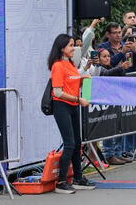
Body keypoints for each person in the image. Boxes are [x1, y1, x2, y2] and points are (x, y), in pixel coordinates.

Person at [47, 34, 96, 193]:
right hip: (62, 106)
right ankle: (61, 182)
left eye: (74, 45)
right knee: (69, 143)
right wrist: (78, 99)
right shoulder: (57, 66)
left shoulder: (70, 63)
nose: (73, 48)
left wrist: (83, 80)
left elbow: (73, 81)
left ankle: (78, 178)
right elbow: (58, 92)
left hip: (73, 105)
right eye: (70, 45)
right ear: (61, 48)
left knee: (77, 142)